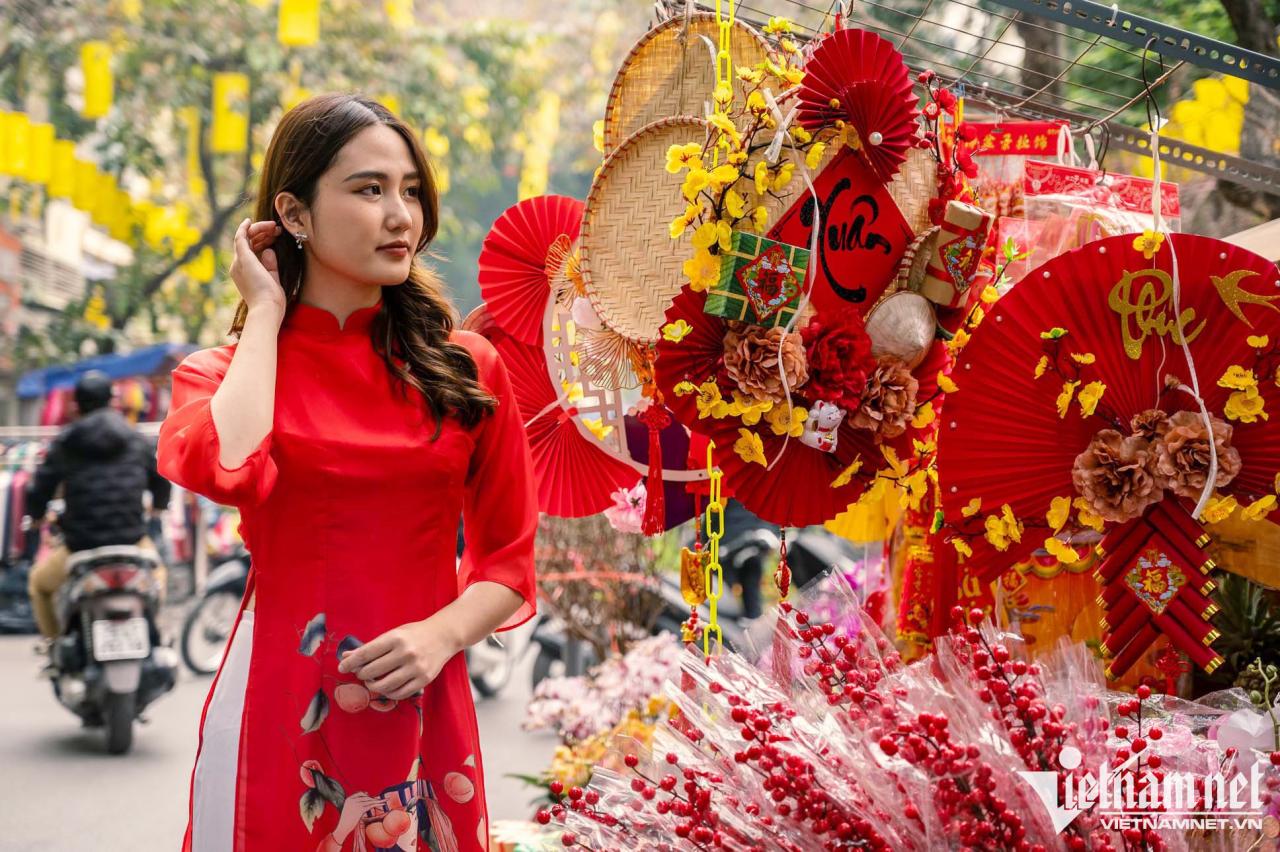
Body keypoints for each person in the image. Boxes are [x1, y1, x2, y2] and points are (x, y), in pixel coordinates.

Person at [157, 94, 537, 851]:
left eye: (410, 192)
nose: (403, 216)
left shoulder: (467, 371)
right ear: (293, 213)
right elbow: (230, 466)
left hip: (423, 702)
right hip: (280, 703)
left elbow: (510, 566)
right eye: (369, 190)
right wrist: (263, 312)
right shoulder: (224, 376)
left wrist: (439, 636)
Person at [26, 369, 171, 642]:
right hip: (132, 542)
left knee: (39, 585)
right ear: (112, 401)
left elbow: (39, 488)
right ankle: (154, 631)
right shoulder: (135, 439)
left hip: (80, 545)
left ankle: (55, 645)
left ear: (76, 405)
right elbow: (161, 481)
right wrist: (158, 507)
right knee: (159, 575)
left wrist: (35, 517)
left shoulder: (66, 441)